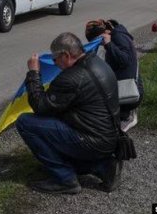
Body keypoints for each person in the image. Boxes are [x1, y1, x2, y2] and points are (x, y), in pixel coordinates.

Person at [15, 32, 122, 194]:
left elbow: (40, 106)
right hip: (110, 137)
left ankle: (64, 179)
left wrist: (33, 74)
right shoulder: (98, 62)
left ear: (65, 55)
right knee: (55, 121)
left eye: (55, 59)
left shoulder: (71, 77)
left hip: (92, 140)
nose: (54, 63)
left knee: (25, 122)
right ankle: (104, 166)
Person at [85, 19, 143, 132]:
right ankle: (125, 112)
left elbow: (125, 60)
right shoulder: (117, 35)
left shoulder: (118, 37)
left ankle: (127, 115)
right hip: (128, 88)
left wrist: (109, 44)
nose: (100, 43)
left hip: (130, 91)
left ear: (104, 34)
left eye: (98, 40)